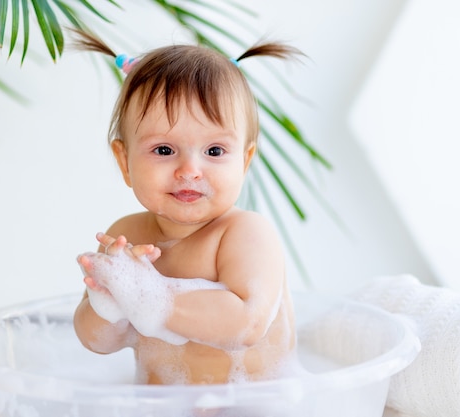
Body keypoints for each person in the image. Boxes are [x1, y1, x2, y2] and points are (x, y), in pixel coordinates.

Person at [72, 29, 303, 385]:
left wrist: (154, 300)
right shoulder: (127, 236)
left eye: (214, 151)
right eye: (164, 150)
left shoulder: (244, 234)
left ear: (244, 161)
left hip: (251, 404)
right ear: (125, 162)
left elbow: (247, 322)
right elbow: (96, 341)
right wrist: (106, 298)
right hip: (162, 404)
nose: (190, 171)